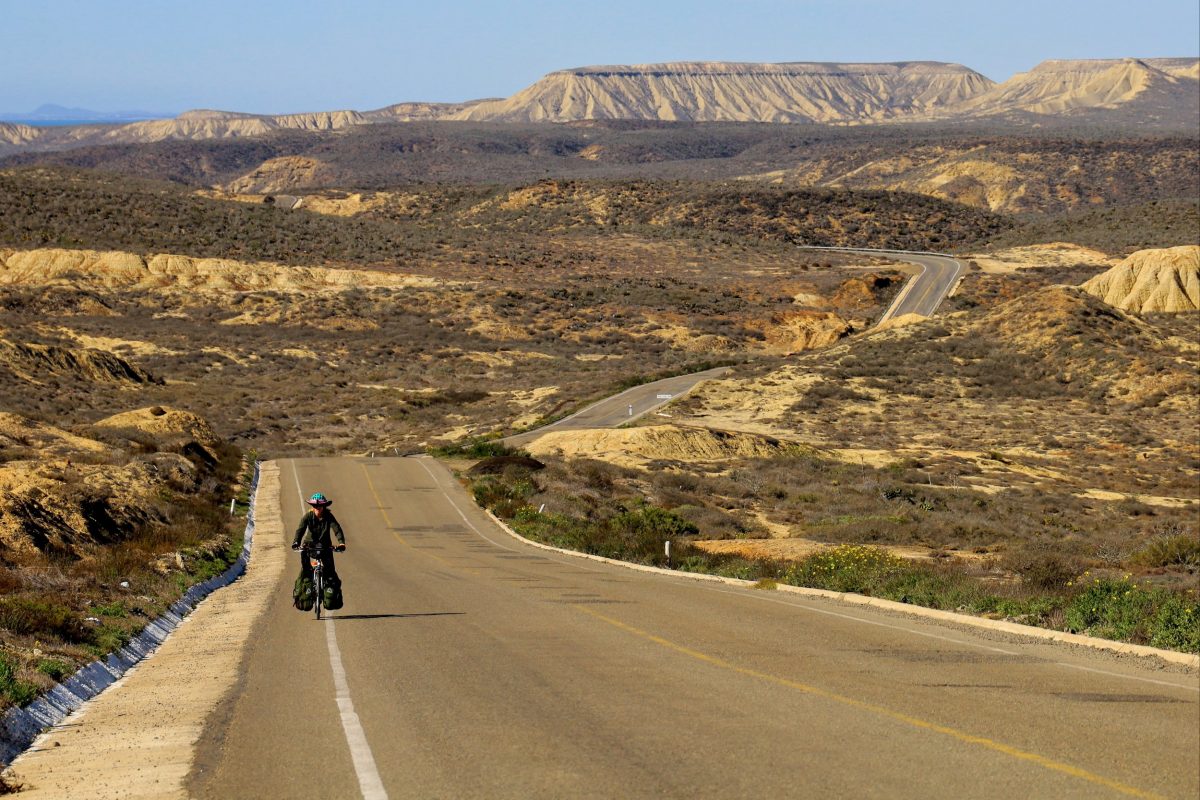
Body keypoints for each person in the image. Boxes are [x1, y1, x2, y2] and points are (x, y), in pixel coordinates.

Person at [291, 492, 346, 590]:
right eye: (315, 506)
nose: (317, 508)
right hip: (309, 545)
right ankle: (307, 583)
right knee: (305, 568)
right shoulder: (307, 516)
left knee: (330, 572)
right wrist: (296, 542)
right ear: (312, 506)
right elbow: (300, 530)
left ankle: (328, 591)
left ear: (324, 506)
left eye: (320, 506)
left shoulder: (328, 516)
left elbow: (336, 528)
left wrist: (341, 542)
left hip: (325, 547)